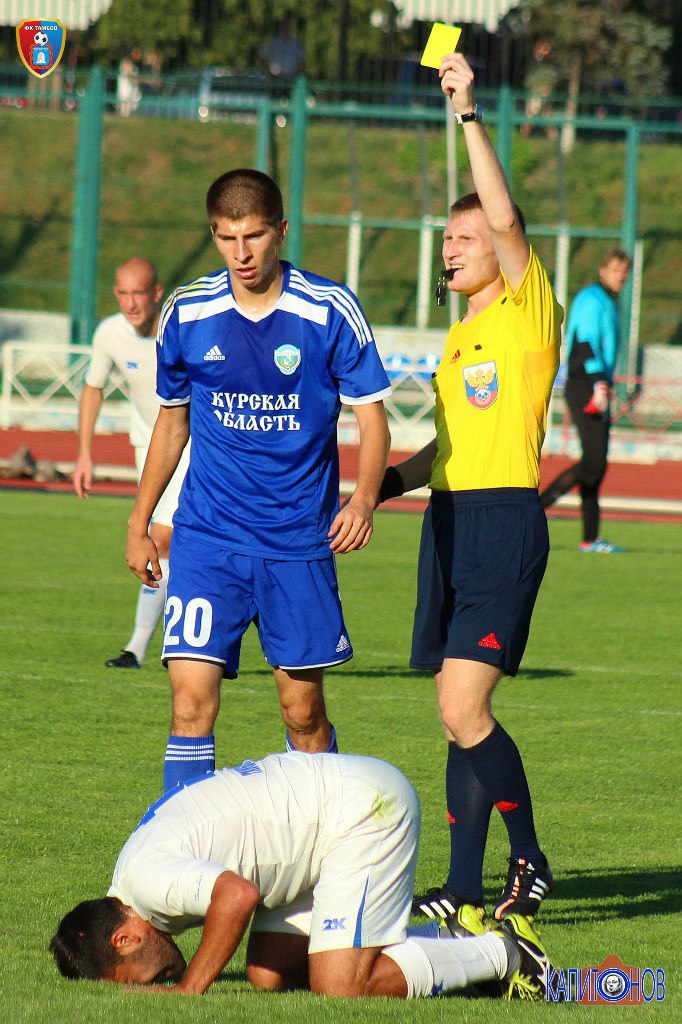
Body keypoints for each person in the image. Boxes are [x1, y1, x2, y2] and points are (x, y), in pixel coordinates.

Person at [125, 169, 391, 792]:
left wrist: (365, 499)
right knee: (191, 705)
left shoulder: (328, 311)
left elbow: (373, 421)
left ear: (281, 231)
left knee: (302, 715)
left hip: (296, 543)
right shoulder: (187, 313)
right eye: (225, 238)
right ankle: (183, 857)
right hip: (207, 538)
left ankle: (321, 850)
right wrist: (139, 523)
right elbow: (171, 425)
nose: (241, 254)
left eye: (253, 236)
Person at [377, 53, 561, 929]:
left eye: (463, 239)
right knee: (455, 717)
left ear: (499, 250)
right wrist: (379, 485)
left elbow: (507, 210)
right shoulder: (461, 339)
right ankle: (461, 887)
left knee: (464, 704)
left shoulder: (528, 310)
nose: (449, 249)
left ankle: (529, 861)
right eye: (445, 240)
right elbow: (443, 449)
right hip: (448, 521)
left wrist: (467, 114)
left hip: (502, 525)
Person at [50, 751, 552, 1000]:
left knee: (340, 985)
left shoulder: (150, 883)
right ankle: (453, 936)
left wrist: (191, 988)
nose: (155, 983)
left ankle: (505, 954)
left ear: (124, 938)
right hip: (315, 838)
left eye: (138, 981)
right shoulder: (131, 876)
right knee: (267, 975)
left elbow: (238, 896)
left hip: (360, 811)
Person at [73, 258, 190, 670]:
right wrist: (85, 453)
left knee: (160, 540)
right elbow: (92, 389)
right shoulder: (110, 334)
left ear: (156, 293)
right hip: (149, 449)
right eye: (122, 293)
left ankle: (142, 648)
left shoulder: (180, 328)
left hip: (194, 448)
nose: (130, 303)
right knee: (172, 548)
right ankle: (161, 645)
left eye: (138, 293)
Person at [540, 248, 631, 552]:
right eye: (617, 270)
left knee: (597, 465)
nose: (621, 276)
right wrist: (598, 384)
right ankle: (534, 511)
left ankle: (590, 538)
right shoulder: (593, 299)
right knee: (593, 462)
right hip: (586, 383)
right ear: (603, 270)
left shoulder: (607, 301)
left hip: (595, 382)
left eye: (625, 272)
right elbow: (585, 343)